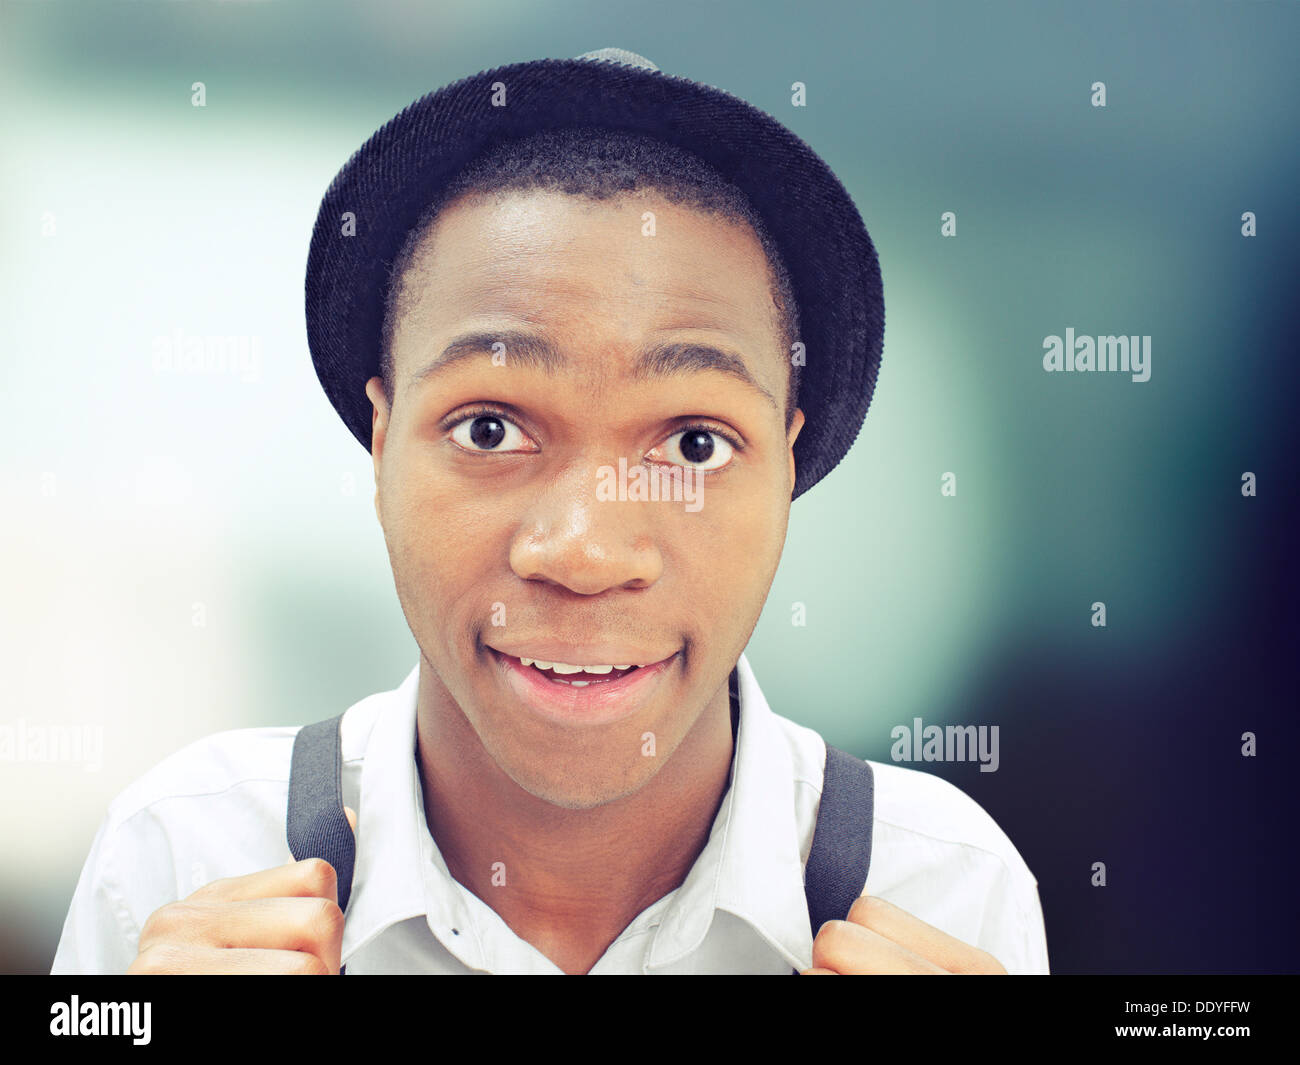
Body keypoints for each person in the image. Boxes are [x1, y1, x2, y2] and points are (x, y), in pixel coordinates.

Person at [52, 48, 1048, 975]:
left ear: (784, 468)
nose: (583, 550)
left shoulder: (944, 886)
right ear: (381, 442)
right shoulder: (182, 853)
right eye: (490, 429)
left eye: (692, 445)